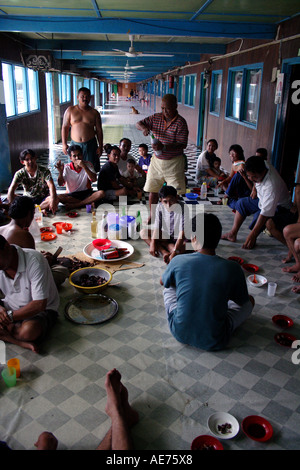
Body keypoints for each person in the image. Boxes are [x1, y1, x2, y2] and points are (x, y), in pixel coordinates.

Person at [160, 213, 254, 351]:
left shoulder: (178, 260)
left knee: (169, 286)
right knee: (249, 301)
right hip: (216, 338)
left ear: (195, 239)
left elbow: (163, 282)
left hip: (180, 331)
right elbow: (241, 301)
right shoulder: (233, 267)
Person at [221, 156, 297, 249]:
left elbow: (265, 213)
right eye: (249, 176)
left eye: (254, 177)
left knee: (259, 217)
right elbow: (253, 177)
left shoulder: (272, 186)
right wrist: (254, 188)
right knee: (241, 203)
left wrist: (252, 235)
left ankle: (291, 248)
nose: (250, 179)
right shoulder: (263, 163)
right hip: (262, 199)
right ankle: (232, 234)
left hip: (279, 206)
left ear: (263, 172)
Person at [0, 235, 59, 352]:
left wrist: (7, 318)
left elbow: (39, 304)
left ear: (6, 247)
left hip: (41, 311)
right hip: (10, 310)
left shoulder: (34, 259)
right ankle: (15, 339)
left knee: (29, 331)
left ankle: (7, 333)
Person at [136, 94, 188, 223]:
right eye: (162, 108)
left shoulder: (181, 122)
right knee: (152, 190)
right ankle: (152, 215)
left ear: (175, 106)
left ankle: (174, 219)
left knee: (174, 193)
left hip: (174, 162)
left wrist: (164, 147)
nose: (165, 111)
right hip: (157, 161)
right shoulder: (156, 117)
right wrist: (144, 128)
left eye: (168, 108)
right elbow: (139, 123)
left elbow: (183, 144)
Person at [0, 196, 69, 287]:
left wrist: (40, 256)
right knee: (62, 271)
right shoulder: (24, 235)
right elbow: (33, 268)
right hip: (19, 282)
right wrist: (45, 261)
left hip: (4, 280)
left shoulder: (1, 229)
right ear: (29, 214)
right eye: (33, 213)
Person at [141, 185, 189, 264]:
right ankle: (164, 252)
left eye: (171, 200)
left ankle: (168, 247)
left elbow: (182, 234)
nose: (168, 205)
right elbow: (157, 227)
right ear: (161, 200)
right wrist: (153, 243)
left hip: (180, 239)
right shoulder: (160, 207)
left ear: (176, 197)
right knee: (143, 233)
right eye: (165, 201)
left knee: (182, 248)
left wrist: (174, 252)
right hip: (167, 235)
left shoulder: (184, 208)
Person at [61, 87, 103, 173]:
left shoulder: (94, 113)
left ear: (90, 98)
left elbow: (99, 130)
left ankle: (88, 185)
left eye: (87, 96)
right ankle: (76, 185)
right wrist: (64, 144)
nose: (85, 98)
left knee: (90, 168)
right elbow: (65, 127)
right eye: (82, 96)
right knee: (74, 168)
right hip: (75, 144)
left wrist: (101, 146)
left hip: (90, 144)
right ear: (77, 97)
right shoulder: (70, 110)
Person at [7, 149, 59, 215]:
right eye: (27, 160)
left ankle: (31, 211)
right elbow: (11, 189)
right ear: (22, 162)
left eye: (32, 158)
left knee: (55, 199)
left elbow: (51, 186)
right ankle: (38, 210)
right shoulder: (19, 173)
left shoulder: (44, 171)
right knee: (12, 197)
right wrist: (12, 206)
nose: (30, 161)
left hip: (43, 199)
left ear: (35, 158)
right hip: (28, 199)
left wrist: (53, 200)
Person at [55, 144, 105, 210]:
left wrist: (84, 167)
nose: (77, 158)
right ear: (70, 158)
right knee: (59, 197)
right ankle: (87, 203)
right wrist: (60, 173)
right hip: (72, 195)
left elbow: (94, 179)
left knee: (101, 193)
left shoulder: (88, 164)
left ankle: (76, 205)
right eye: (74, 156)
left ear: (82, 155)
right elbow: (60, 184)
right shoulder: (66, 168)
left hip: (86, 193)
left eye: (79, 155)